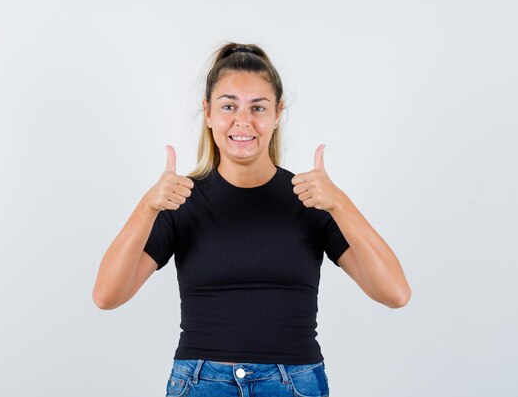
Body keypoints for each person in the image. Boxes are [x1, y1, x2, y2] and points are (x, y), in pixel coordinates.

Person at [92, 42, 411, 397]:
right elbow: (107, 296)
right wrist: (147, 206)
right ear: (208, 113)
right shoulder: (180, 200)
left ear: (277, 114)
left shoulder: (311, 198)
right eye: (228, 106)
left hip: (294, 385)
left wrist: (340, 204)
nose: (242, 121)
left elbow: (395, 293)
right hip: (200, 384)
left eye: (257, 107)